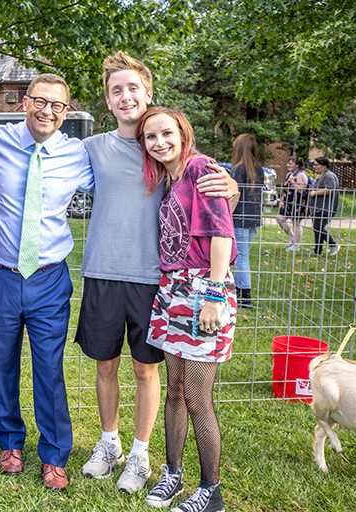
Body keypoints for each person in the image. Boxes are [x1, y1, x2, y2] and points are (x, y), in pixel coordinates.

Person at [76, 52, 238, 495]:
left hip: (156, 281)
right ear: (107, 101)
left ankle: (142, 453)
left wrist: (233, 187)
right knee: (104, 365)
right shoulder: (93, 148)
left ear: (148, 93)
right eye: (116, 90)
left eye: (133, 88)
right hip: (103, 273)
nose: (125, 96)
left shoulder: (168, 150)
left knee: (147, 372)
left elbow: (209, 203)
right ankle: (108, 445)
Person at [0, 73, 93, 492]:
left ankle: (54, 454)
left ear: (67, 111)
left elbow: (125, 183)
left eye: (57, 105)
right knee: (0, 365)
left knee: (49, 368)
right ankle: (9, 442)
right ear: (24, 102)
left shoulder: (78, 155)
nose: (47, 111)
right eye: (39, 102)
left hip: (49, 280)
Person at [136, 106, 237, 512]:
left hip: (203, 289)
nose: (159, 142)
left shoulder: (200, 169)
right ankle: (172, 474)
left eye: (166, 133)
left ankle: (211, 491)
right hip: (172, 289)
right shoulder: (168, 177)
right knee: (174, 392)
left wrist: (213, 294)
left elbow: (221, 233)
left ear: (183, 132)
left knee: (197, 397)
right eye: (150, 137)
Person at [229, 134, 265, 309]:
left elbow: (235, 196)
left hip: (240, 219)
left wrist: (226, 214)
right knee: (244, 257)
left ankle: (244, 296)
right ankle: (240, 292)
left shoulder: (238, 169)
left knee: (241, 258)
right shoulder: (259, 168)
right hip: (254, 219)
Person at [276, 156, 310, 251]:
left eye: (291, 164)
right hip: (287, 202)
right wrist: (282, 200)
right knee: (279, 218)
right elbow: (286, 189)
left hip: (298, 203)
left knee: (296, 223)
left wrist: (292, 182)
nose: (288, 165)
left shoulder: (301, 175)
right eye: (288, 163)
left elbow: (301, 190)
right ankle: (291, 236)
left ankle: (296, 245)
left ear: (297, 165)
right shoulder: (289, 174)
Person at [308, 156, 340, 256]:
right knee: (317, 228)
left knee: (318, 227)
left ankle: (333, 244)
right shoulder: (319, 176)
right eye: (315, 164)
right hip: (317, 206)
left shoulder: (329, 176)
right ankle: (318, 251)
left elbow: (330, 189)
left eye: (317, 165)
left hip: (326, 207)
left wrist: (315, 193)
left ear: (324, 165)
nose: (315, 167)